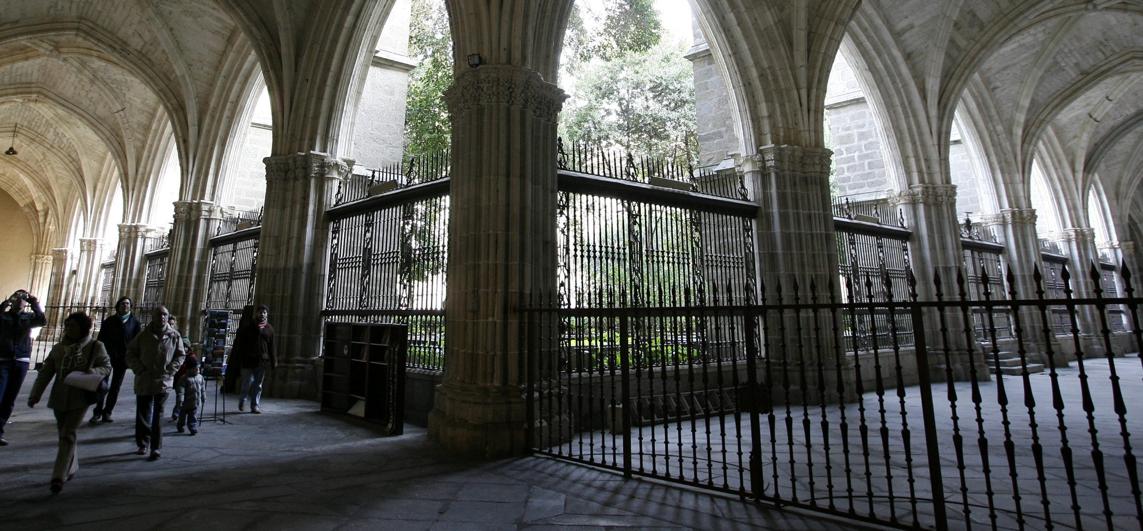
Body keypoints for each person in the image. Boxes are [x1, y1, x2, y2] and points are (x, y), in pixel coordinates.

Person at [26, 312, 111, 493]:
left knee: (68, 433)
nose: (69, 329)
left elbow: (107, 367)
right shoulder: (59, 348)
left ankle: (58, 476)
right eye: (67, 326)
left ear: (83, 328)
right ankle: (71, 466)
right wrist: (35, 394)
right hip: (59, 397)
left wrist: (93, 371)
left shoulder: (95, 346)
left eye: (73, 326)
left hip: (80, 397)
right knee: (64, 433)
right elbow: (46, 372)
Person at [126, 305, 185, 461]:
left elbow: (180, 355)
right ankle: (143, 443)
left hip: (163, 380)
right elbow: (130, 352)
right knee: (143, 412)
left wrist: (171, 370)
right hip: (145, 378)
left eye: (165, 314)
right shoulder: (143, 335)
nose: (162, 317)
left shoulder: (174, 335)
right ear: (153, 316)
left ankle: (156, 447)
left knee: (158, 413)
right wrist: (138, 369)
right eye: (159, 314)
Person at [0, 289, 47, 446]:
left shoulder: (29, 317)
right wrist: (4, 305)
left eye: (23, 297)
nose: (20, 299)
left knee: (10, 398)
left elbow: (42, 320)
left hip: (21, 360)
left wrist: (35, 303)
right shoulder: (4, 316)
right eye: (17, 297)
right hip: (4, 360)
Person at [91, 296, 142, 424]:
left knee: (116, 387)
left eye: (128, 304)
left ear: (131, 306)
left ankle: (108, 412)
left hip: (123, 358)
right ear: (118, 306)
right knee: (102, 385)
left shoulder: (135, 323)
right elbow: (101, 339)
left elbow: (137, 342)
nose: (125, 306)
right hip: (107, 357)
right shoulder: (109, 321)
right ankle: (97, 411)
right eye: (123, 303)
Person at [234, 304, 276, 414]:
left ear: (267, 314)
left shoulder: (269, 329)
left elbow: (272, 346)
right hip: (248, 360)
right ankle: (242, 400)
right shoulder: (248, 327)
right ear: (256, 313)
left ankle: (255, 405)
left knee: (258, 385)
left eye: (264, 312)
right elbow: (241, 344)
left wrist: (273, 361)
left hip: (261, 361)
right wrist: (239, 358)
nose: (262, 314)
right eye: (260, 312)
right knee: (247, 382)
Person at [166, 315, 195, 420]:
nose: (170, 326)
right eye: (168, 324)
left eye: (172, 324)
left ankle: (177, 412)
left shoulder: (180, 338)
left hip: (179, 375)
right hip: (167, 373)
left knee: (180, 397)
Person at [176, 357, 205, 436]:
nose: (197, 370)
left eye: (198, 368)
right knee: (182, 417)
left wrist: (203, 396)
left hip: (195, 402)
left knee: (193, 416)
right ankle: (180, 425)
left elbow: (202, 388)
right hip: (185, 404)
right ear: (190, 369)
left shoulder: (200, 377)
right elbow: (180, 391)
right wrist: (180, 400)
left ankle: (192, 427)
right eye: (195, 368)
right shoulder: (184, 378)